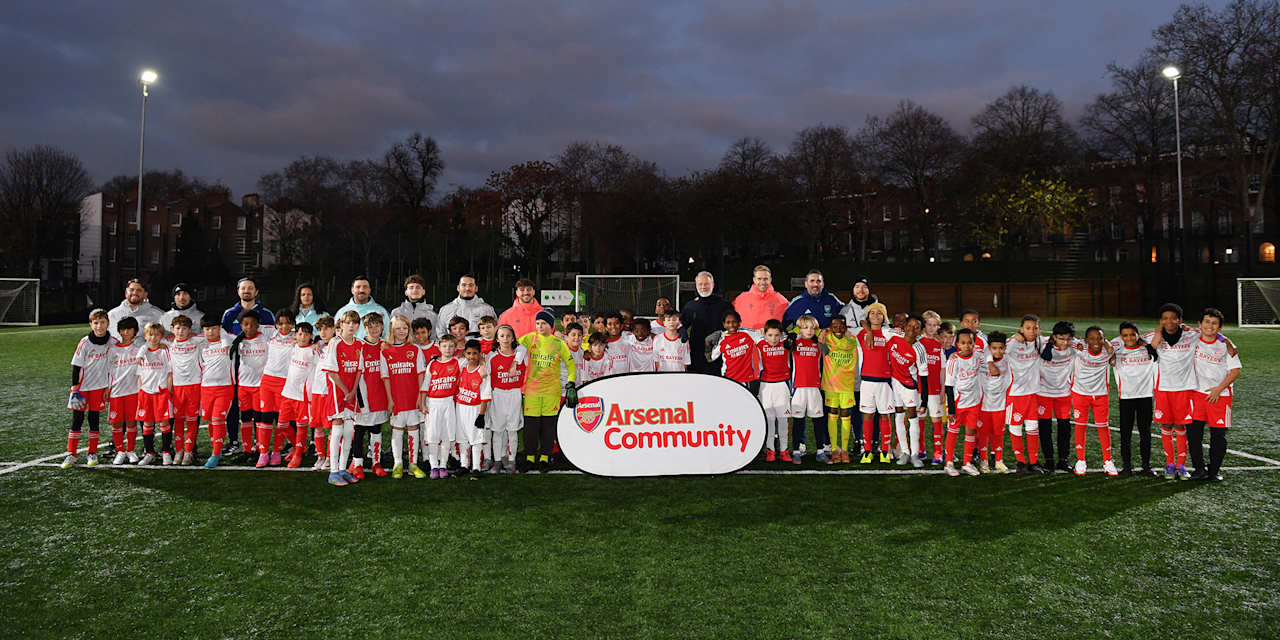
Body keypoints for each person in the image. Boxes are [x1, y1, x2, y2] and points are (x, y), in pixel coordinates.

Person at [1145, 303, 1200, 481]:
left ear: (1180, 320)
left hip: (1184, 389)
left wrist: (1227, 342)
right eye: (1165, 318)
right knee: (1166, 426)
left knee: (1181, 426)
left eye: (1173, 318)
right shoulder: (1153, 337)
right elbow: (1150, 350)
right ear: (1160, 321)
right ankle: (1170, 464)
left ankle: (1182, 466)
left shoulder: (1191, 335)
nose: (1169, 321)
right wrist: (1158, 333)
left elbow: (1210, 333)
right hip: (1163, 389)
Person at [518, 309, 578, 472]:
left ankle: (544, 457)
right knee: (530, 426)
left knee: (548, 426)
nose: (539, 326)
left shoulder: (559, 344)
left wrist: (571, 383)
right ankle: (530, 457)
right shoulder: (529, 339)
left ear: (551, 326)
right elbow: (511, 345)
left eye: (543, 323)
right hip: (531, 391)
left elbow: (571, 364)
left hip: (552, 391)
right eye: (537, 323)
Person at [1188, 308, 1240, 482]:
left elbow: (1235, 371)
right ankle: (1199, 469)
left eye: (1214, 323)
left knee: (1218, 435)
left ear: (1220, 328)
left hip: (1221, 395)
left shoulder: (1226, 345)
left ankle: (1214, 471)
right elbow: (1175, 326)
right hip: (1196, 394)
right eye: (1207, 322)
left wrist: (1218, 389)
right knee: (1194, 434)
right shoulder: (1191, 340)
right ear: (1199, 324)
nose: (1210, 326)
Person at [61, 309, 113, 469]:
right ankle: (71, 454)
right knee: (77, 419)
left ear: (108, 323)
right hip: (81, 388)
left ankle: (92, 452)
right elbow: (76, 367)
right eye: (96, 323)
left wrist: (108, 388)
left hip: (100, 388)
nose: (99, 326)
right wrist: (75, 389)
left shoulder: (113, 342)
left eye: (103, 322)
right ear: (91, 324)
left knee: (94, 419)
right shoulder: (85, 342)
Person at [1112, 321, 1159, 475]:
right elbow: (1099, 344)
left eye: (1133, 334)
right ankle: (1127, 466)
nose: (1129, 338)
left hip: (1145, 396)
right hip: (1126, 397)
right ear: (1121, 337)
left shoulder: (1148, 350)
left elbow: (1161, 331)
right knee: (1126, 433)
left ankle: (1146, 466)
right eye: (1125, 335)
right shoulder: (1116, 352)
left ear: (1138, 335)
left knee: (1145, 433)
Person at [323, 310, 364, 486]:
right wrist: (345, 390)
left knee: (349, 431)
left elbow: (359, 370)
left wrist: (353, 390)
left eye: (355, 323)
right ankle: (333, 471)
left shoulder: (359, 344)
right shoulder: (335, 343)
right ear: (341, 324)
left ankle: (342, 468)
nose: (351, 326)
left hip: (351, 392)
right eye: (348, 323)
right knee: (337, 429)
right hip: (337, 391)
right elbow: (332, 371)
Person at [382, 315, 425, 479]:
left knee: (414, 429)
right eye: (398, 328)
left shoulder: (415, 349)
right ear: (392, 329)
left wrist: (420, 398)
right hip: (396, 399)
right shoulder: (385, 350)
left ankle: (413, 464)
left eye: (405, 328)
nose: (401, 331)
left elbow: (421, 374)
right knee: (398, 431)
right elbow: (385, 378)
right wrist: (390, 399)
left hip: (413, 397)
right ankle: (397, 464)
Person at [350, 312, 392, 479]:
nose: (374, 329)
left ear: (382, 327)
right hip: (363, 395)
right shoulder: (360, 346)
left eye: (377, 326)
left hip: (380, 395)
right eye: (370, 326)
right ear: (364, 328)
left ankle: (376, 462)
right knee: (359, 431)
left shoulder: (386, 346)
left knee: (376, 429)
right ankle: (358, 463)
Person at [255, 310, 296, 467]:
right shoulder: (270, 333)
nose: (283, 326)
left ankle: (276, 452)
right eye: (280, 323)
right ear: (276, 324)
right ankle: (263, 453)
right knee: (265, 418)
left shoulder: (297, 336)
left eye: (287, 323)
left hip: (285, 382)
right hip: (267, 381)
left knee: (280, 420)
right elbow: (249, 325)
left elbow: (314, 341)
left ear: (292, 323)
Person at [1007, 315, 1047, 474]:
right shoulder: (1012, 342)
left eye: (1035, 328)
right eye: (1028, 328)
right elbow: (995, 351)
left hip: (1033, 393)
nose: (1032, 331)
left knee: (1032, 428)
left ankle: (1033, 462)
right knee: (1016, 427)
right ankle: (1020, 462)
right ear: (1021, 329)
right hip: (1015, 393)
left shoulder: (1040, 341)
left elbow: (1060, 340)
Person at [229, 309, 270, 462]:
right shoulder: (238, 341)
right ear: (240, 325)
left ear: (258, 325)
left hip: (260, 386)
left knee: (259, 419)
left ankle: (260, 449)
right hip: (243, 386)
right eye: (245, 324)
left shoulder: (266, 339)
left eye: (253, 324)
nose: (249, 327)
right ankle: (247, 450)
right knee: (245, 418)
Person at [855, 303, 895, 463]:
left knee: (885, 415)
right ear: (868, 316)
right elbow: (860, 321)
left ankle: (885, 450)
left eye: (880, 313)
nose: (876, 316)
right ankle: (868, 451)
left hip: (884, 381)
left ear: (884, 317)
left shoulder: (890, 334)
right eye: (873, 313)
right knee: (868, 415)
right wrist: (869, 331)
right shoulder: (862, 334)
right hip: (867, 381)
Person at [943, 329, 985, 477]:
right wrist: (952, 410)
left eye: (970, 342)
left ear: (974, 344)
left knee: (971, 431)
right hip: (957, 403)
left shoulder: (978, 357)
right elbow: (948, 386)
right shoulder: (953, 360)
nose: (966, 346)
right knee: (953, 432)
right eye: (963, 343)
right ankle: (948, 462)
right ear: (957, 344)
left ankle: (967, 462)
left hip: (973, 402)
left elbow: (989, 362)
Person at [419, 335, 461, 479]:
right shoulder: (433, 364)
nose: (448, 349)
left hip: (448, 403)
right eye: (444, 346)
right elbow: (425, 384)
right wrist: (423, 403)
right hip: (433, 403)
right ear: (439, 347)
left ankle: (443, 465)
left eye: (451, 346)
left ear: (455, 348)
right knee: (432, 436)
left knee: (446, 436)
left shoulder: (458, 363)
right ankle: (433, 466)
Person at [277, 322, 319, 468]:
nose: (303, 337)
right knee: (282, 424)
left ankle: (298, 455)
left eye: (306, 334)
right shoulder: (293, 347)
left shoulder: (314, 351)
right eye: (300, 334)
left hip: (302, 396)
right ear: (295, 335)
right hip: (288, 393)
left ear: (311, 336)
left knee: (301, 427)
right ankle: (298, 446)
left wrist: (318, 343)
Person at [487, 325, 528, 474]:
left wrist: (515, 362)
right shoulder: (491, 357)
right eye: (502, 336)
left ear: (513, 338)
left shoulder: (521, 354)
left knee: (512, 430)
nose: (505, 339)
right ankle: (497, 460)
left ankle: (512, 460)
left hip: (515, 395)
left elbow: (523, 348)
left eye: (508, 336)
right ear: (497, 339)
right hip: (498, 395)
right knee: (497, 431)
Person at [819, 315, 859, 464]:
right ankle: (835, 450)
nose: (838, 330)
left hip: (847, 385)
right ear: (830, 327)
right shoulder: (826, 337)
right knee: (832, 414)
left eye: (841, 326)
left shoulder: (852, 340)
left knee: (846, 415)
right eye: (834, 327)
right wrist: (823, 331)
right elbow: (807, 328)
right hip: (830, 384)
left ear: (846, 327)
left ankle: (844, 450)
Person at [1038, 321, 1077, 472]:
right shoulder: (1042, 345)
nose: (1065, 342)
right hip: (1043, 393)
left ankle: (1063, 460)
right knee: (1045, 428)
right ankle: (1048, 460)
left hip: (1063, 393)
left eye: (1068, 339)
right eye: (1061, 339)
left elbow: (1093, 342)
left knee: (1064, 428)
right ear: (1054, 337)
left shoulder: (1074, 347)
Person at [888, 315, 925, 468]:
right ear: (905, 326)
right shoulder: (894, 337)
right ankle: (905, 452)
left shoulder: (919, 348)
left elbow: (923, 375)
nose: (912, 329)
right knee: (898, 415)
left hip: (910, 386)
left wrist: (925, 399)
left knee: (912, 416)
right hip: (894, 383)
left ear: (920, 331)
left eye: (916, 327)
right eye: (910, 325)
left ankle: (915, 454)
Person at [166, 314, 203, 465]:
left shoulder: (197, 341)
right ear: (172, 330)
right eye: (178, 328)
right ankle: (179, 451)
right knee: (179, 420)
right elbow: (150, 338)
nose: (181, 331)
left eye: (184, 328)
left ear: (190, 330)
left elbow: (217, 334)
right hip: (177, 387)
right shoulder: (168, 344)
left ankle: (188, 451)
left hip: (194, 385)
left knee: (192, 420)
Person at [198, 317, 235, 469]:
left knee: (218, 419)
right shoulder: (201, 345)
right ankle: (216, 450)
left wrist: (224, 339)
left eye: (214, 328)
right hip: (206, 388)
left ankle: (215, 454)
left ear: (219, 328)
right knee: (211, 422)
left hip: (225, 387)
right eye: (207, 329)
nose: (210, 332)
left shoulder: (229, 340)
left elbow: (231, 335)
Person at [133, 322, 173, 466]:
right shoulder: (142, 354)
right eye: (150, 334)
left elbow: (170, 373)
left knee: (164, 423)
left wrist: (168, 391)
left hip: (161, 393)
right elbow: (139, 376)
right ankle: (149, 453)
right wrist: (140, 393)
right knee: (147, 424)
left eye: (157, 335)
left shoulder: (164, 351)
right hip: (145, 393)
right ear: (145, 336)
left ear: (161, 336)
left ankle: (166, 452)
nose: (153, 338)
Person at [787, 314, 823, 465]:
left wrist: (821, 338)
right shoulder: (794, 342)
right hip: (798, 388)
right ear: (799, 329)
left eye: (812, 328)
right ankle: (796, 451)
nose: (809, 330)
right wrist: (792, 334)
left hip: (815, 388)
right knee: (798, 421)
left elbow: (828, 351)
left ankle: (820, 451)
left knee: (818, 421)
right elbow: (782, 340)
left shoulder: (819, 344)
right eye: (805, 327)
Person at [680, 271, 733, 374]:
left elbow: (733, 327)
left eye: (706, 284)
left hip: (718, 354)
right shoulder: (690, 306)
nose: (703, 287)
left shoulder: (725, 306)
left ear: (712, 285)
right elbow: (681, 324)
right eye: (700, 284)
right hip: (697, 354)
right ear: (696, 286)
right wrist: (681, 330)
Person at [454, 339, 492, 476]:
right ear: (465, 353)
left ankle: (476, 467)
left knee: (476, 438)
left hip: (475, 408)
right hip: (460, 407)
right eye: (468, 353)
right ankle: (464, 465)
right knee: (462, 437)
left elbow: (485, 395)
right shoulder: (462, 366)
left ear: (480, 354)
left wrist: (481, 415)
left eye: (475, 353)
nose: (471, 356)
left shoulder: (483, 373)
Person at [756, 319, 791, 462]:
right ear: (764, 334)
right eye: (770, 335)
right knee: (769, 420)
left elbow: (802, 332)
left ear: (781, 335)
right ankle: (770, 450)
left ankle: (784, 450)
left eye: (777, 335)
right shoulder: (760, 343)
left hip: (782, 385)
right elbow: (744, 331)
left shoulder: (786, 343)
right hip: (765, 386)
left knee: (783, 420)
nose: (773, 339)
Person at [108, 316, 142, 465]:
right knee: (116, 423)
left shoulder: (139, 349)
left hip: (133, 392)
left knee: (131, 422)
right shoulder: (112, 349)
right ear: (119, 331)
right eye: (123, 329)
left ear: (135, 331)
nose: (126, 332)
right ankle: (120, 451)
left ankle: (131, 450)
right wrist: (106, 389)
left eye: (129, 329)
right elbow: (107, 371)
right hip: (116, 392)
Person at [979, 331, 1011, 474]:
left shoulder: (1008, 359)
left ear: (1005, 348)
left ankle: (999, 461)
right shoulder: (981, 360)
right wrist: (989, 360)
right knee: (984, 433)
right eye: (994, 348)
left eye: (1001, 348)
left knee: (998, 433)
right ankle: (984, 461)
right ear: (989, 348)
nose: (998, 351)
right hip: (984, 404)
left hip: (1000, 404)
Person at [307, 315, 336, 471]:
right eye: (320, 329)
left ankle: (331, 457)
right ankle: (320, 456)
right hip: (317, 392)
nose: (323, 332)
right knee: (317, 426)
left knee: (332, 427)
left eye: (326, 328)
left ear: (334, 329)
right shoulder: (319, 347)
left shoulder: (336, 345)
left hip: (330, 393)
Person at [917, 311, 946, 465]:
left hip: (935, 390)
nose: (932, 327)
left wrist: (942, 389)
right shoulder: (917, 343)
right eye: (929, 324)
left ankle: (938, 452)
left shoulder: (938, 345)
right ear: (924, 325)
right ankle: (921, 450)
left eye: (935, 325)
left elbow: (942, 369)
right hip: (920, 390)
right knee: (919, 421)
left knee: (936, 421)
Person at [708, 310, 758, 390]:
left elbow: (765, 336)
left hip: (745, 379)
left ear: (739, 322)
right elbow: (712, 357)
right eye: (728, 322)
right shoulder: (722, 339)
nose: (731, 325)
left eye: (734, 322)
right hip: (728, 379)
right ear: (724, 324)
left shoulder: (747, 334)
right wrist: (708, 343)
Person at [334, 275, 390, 341]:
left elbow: (388, 335)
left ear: (369, 290)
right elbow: (335, 336)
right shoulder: (342, 312)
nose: (361, 290)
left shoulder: (380, 311)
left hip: (373, 350)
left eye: (365, 287)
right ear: (352, 290)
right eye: (358, 287)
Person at [733, 265, 789, 331]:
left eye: (765, 279)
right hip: (746, 338)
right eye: (759, 279)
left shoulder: (781, 300)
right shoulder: (741, 299)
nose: (762, 282)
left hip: (771, 339)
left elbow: (791, 321)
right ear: (754, 279)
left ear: (770, 279)